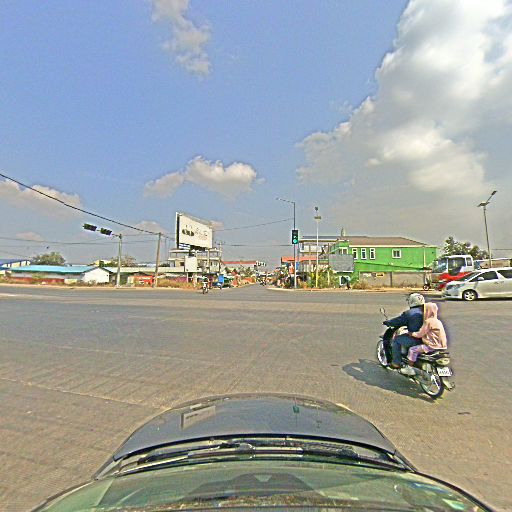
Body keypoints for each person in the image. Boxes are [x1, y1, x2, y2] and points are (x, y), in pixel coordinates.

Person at [400, 302, 448, 375]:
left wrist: (411, 333)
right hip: (442, 346)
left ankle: (409, 368)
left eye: (424, 310)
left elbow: (419, 334)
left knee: (412, 350)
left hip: (432, 346)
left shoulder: (428, 321)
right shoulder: (438, 321)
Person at [384, 293, 425, 369]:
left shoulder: (409, 313)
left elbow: (398, 321)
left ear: (411, 301)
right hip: (429, 339)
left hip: (416, 339)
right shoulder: (428, 311)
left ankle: (396, 363)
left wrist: (388, 322)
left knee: (397, 340)